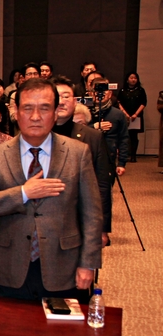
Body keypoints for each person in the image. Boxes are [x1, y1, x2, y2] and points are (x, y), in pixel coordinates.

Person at [0, 78, 102, 302]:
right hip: (11, 266)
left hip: (63, 266)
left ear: (56, 112)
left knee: (61, 324)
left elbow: (92, 214)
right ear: (16, 112)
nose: (35, 117)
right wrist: (23, 192)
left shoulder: (78, 153)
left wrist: (88, 264)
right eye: (27, 108)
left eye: (44, 108)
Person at [52, 76, 112, 246]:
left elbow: (102, 185)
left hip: (80, 217)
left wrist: (102, 228)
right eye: (57, 97)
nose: (61, 102)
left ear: (74, 101)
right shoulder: (35, 135)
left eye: (66, 96)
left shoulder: (93, 137)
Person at [89, 76, 129, 178]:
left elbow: (124, 139)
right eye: (96, 90)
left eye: (104, 90)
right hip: (86, 158)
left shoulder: (118, 115)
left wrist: (121, 163)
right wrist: (94, 127)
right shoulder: (83, 112)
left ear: (110, 94)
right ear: (91, 93)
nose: (100, 93)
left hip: (108, 158)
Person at [117, 72, 147, 162]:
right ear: (127, 80)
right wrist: (125, 114)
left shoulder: (141, 90)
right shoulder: (123, 90)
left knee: (134, 136)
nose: (133, 80)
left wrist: (136, 114)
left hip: (136, 116)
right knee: (124, 136)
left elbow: (143, 103)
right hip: (124, 116)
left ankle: (133, 155)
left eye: (135, 78)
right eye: (131, 78)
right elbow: (118, 102)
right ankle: (124, 155)